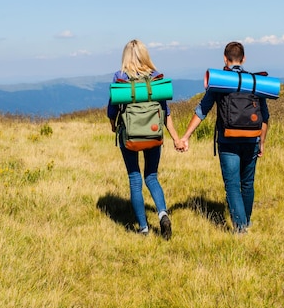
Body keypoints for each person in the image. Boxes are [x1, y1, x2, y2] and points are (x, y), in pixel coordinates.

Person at [180, 41, 269, 233]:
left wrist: (186, 136)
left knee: (232, 185)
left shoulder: (220, 81)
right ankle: (246, 222)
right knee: (247, 182)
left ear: (225, 59)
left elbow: (202, 110)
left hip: (228, 140)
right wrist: (261, 142)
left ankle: (240, 228)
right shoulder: (255, 82)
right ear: (243, 59)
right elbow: (264, 116)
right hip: (252, 139)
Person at [107, 39, 184, 239]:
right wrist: (176, 138)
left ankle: (143, 228)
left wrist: (113, 124)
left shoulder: (120, 78)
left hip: (130, 136)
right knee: (151, 176)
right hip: (153, 134)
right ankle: (163, 213)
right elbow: (166, 113)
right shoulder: (156, 79)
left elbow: (111, 110)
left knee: (135, 179)